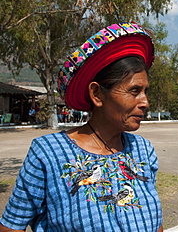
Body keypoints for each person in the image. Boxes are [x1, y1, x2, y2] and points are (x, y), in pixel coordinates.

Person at [0, 22, 163, 232]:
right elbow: (12, 226)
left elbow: (155, 221)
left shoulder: (143, 150)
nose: (145, 102)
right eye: (134, 91)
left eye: (145, 91)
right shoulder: (48, 153)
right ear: (96, 94)